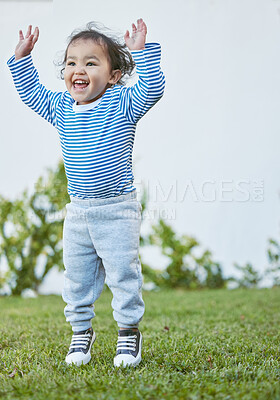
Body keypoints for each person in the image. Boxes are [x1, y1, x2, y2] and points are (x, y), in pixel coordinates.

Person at [7, 19, 165, 368]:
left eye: (91, 62)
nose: (79, 69)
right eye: (72, 62)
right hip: (78, 211)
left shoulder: (122, 103)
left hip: (117, 209)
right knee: (76, 276)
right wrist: (21, 59)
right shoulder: (61, 108)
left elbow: (152, 88)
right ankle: (81, 331)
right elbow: (32, 93)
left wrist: (142, 51)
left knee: (123, 273)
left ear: (113, 75)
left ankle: (128, 332)